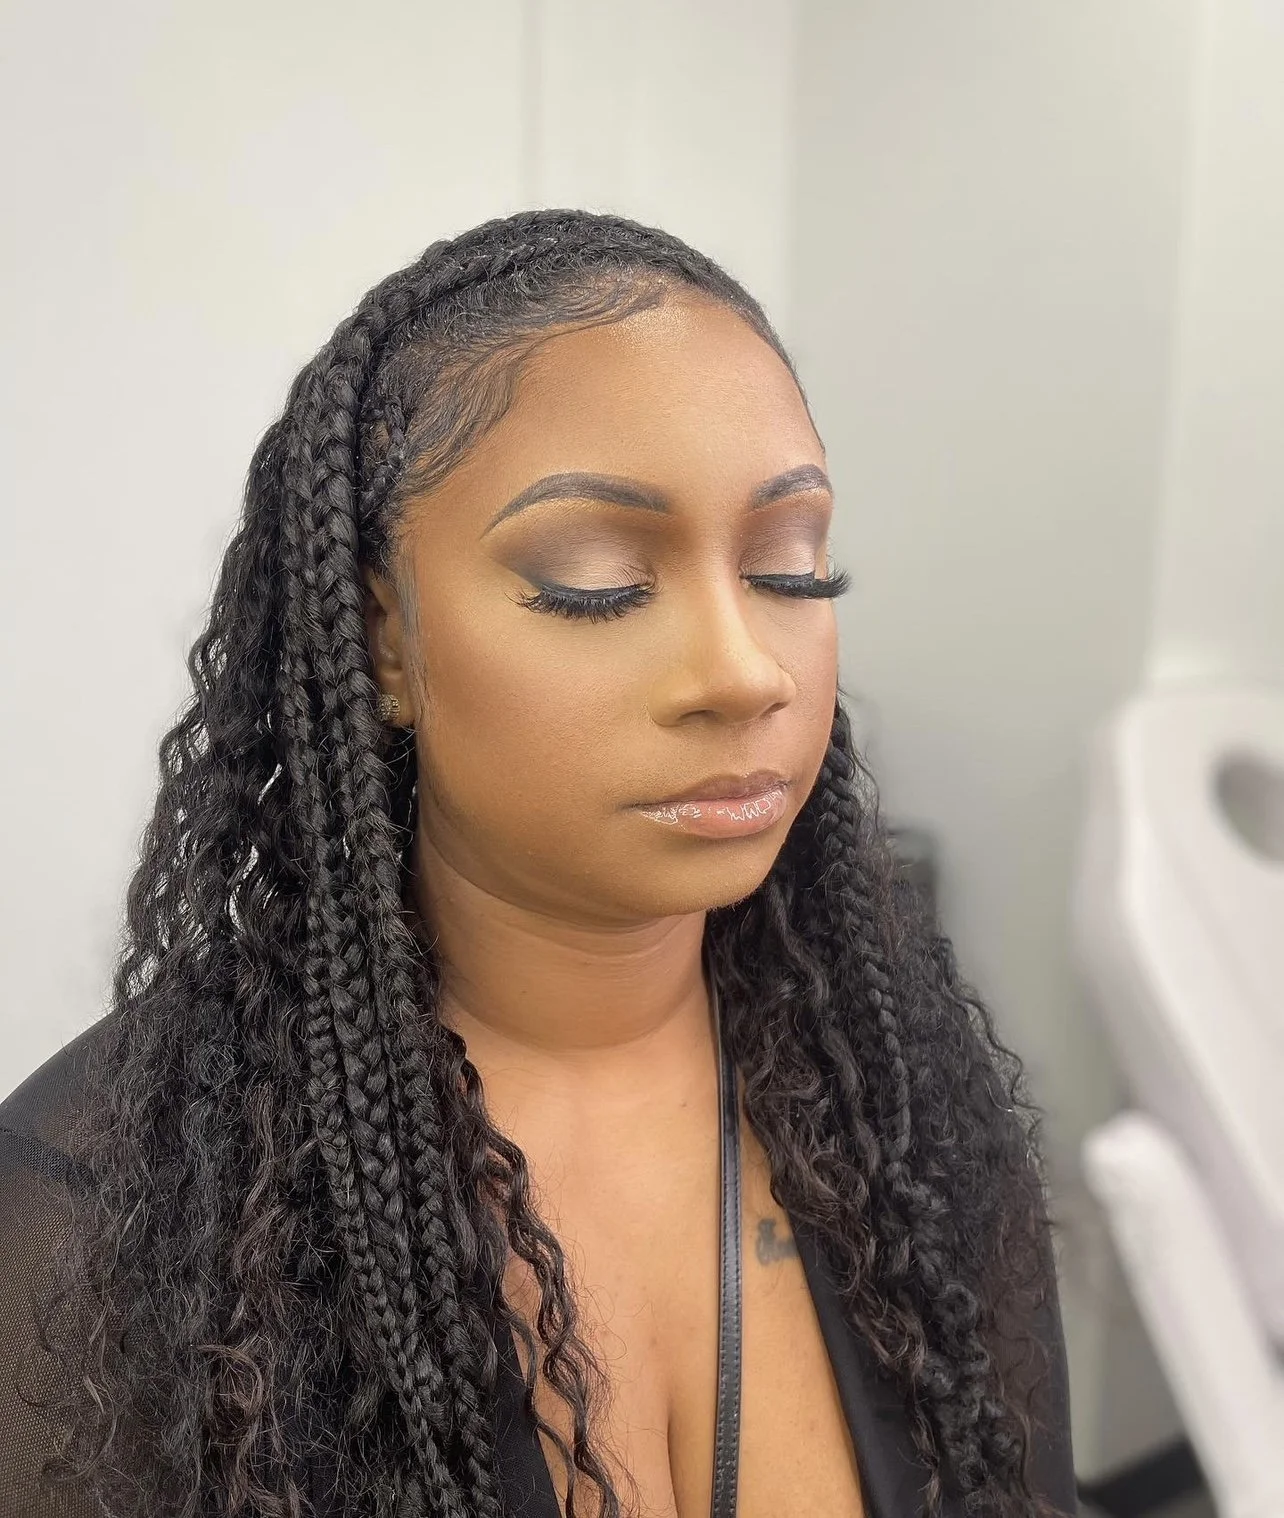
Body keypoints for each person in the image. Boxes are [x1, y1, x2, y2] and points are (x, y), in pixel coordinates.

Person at [0, 208, 1074, 1518]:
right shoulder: (106, 1208)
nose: (745, 670)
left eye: (789, 566)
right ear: (383, 640)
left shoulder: (902, 1104)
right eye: (593, 580)